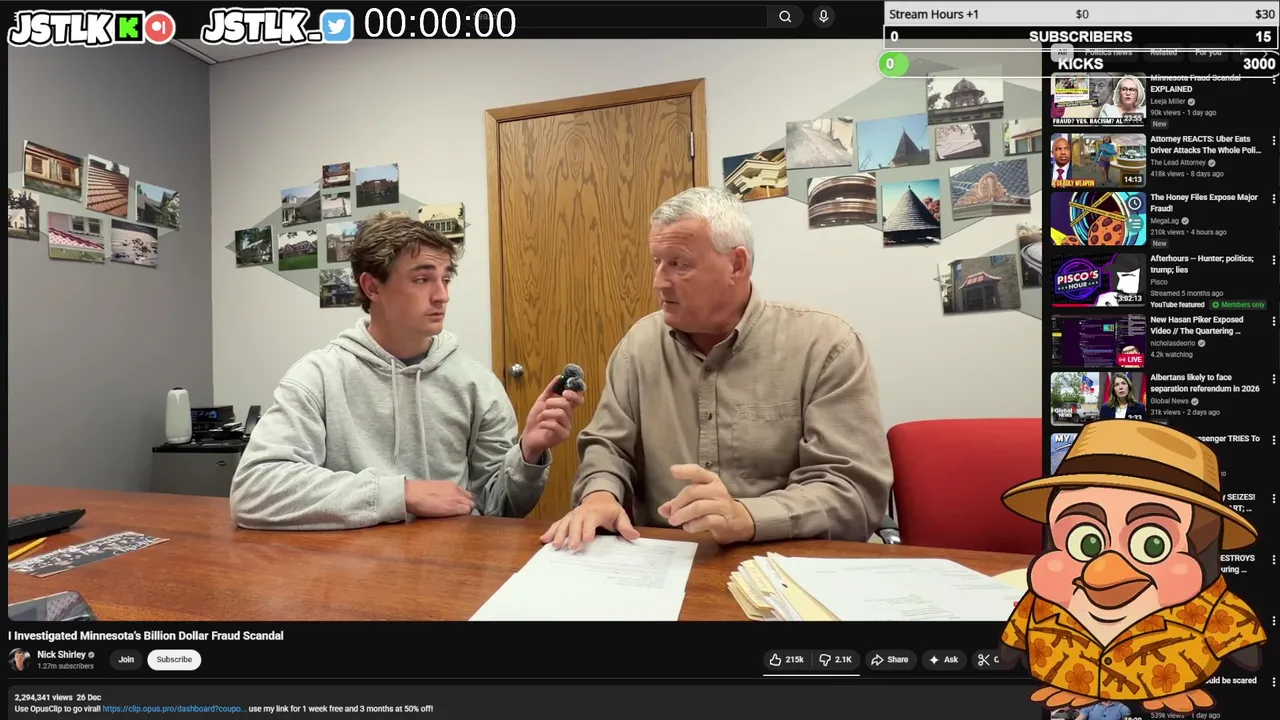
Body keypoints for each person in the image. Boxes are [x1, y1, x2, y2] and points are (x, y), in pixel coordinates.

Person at [540, 187, 893, 550]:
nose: (659, 281)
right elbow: (608, 447)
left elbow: (852, 490)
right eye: (657, 262)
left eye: (679, 264)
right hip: (665, 561)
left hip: (787, 561)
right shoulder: (640, 345)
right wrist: (599, 495)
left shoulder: (826, 346)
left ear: (736, 265)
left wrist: (748, 516)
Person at [231, 213, 583, 530]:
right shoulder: (317, 377)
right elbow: (254, 491)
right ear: (372, 287)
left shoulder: (478, 385)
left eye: (446, 279)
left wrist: (528, 454)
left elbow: (498, 509)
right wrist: (400, 494)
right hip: (349, 569)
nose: (442, 295)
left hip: (450, 566)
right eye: (422, 279)